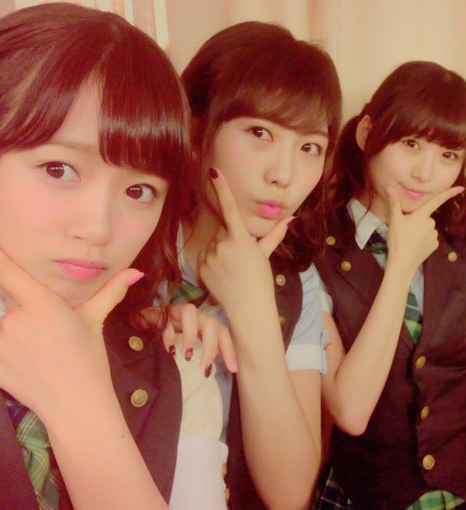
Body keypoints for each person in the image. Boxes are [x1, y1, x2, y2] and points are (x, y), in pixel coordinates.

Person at [0, 3, 193, 509]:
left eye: (139, 191)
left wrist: (81, 406)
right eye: (58, 169)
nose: (99, 228)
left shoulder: (162, 364)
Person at [314, 61, 466, 510]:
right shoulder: (315, 253)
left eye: (449, 155)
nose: (425, 173)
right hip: (367, 495)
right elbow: (350, 412)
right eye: (411, 144)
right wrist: (400, 266)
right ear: (366, 133)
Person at [167, 21, 342, 510]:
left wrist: (254, 313)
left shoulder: (296, 283)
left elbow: (290, 492)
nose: (284, 175)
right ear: (195, 129)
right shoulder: (125, 245)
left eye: (309, 148)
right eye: (260, 133)